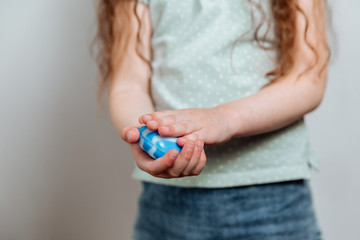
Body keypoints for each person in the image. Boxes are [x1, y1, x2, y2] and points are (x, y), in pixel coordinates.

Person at [94, 0, 329, 239]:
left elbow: (309, 79)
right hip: (164, 204)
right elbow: (128, 86)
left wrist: (225, 118)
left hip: (273, 199)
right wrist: (141, 133)